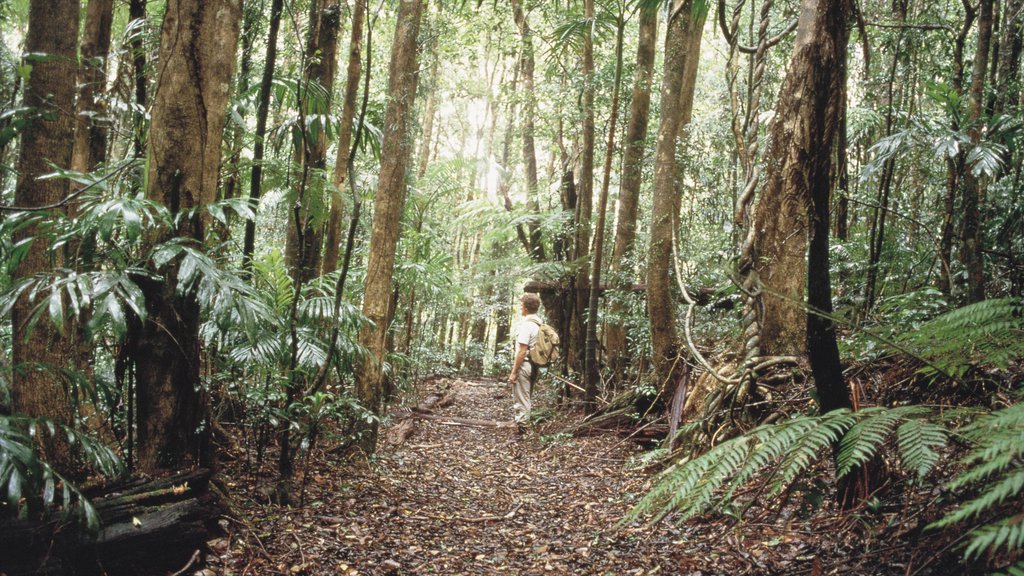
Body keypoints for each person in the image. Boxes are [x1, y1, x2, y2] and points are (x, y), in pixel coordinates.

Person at [507, 293, 543, 432]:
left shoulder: (526, 326)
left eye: (521, 305)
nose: (520, 308)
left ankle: (523, 430)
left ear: (526, 308)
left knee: (522, 398)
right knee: (527, 396)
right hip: (535, 366)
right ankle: (524, 425)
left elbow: (522, 352)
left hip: (525, 365)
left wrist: (514, 372)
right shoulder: (540, 324)